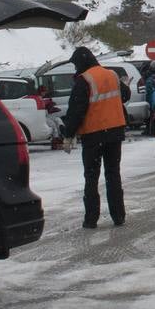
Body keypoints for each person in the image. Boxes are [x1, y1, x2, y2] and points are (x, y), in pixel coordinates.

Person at [52, 47, 128, 228]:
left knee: (92, 178)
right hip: (115, 133)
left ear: (80, 62)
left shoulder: (84, 80)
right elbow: (126, 95)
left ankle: (91, 219)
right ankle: (119, 216)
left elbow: (77, 110)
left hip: (94, 136)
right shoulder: (112, 75)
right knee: (113, 175)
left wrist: (68, 134)